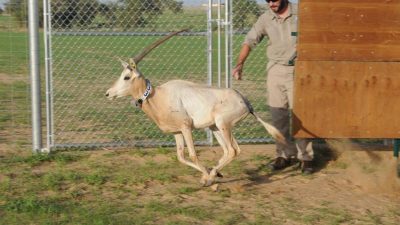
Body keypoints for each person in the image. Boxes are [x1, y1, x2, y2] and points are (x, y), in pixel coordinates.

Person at [232, 0, 314, 174]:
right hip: (275, 70)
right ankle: (284, 155)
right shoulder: (266, 18)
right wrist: (240, 64)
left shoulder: (302, 13)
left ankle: (305, 158)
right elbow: (249, 40)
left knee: (301, 115)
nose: (271, 4)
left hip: (300, 69)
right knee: (278, 115)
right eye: (267, 1)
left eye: (274, 0)